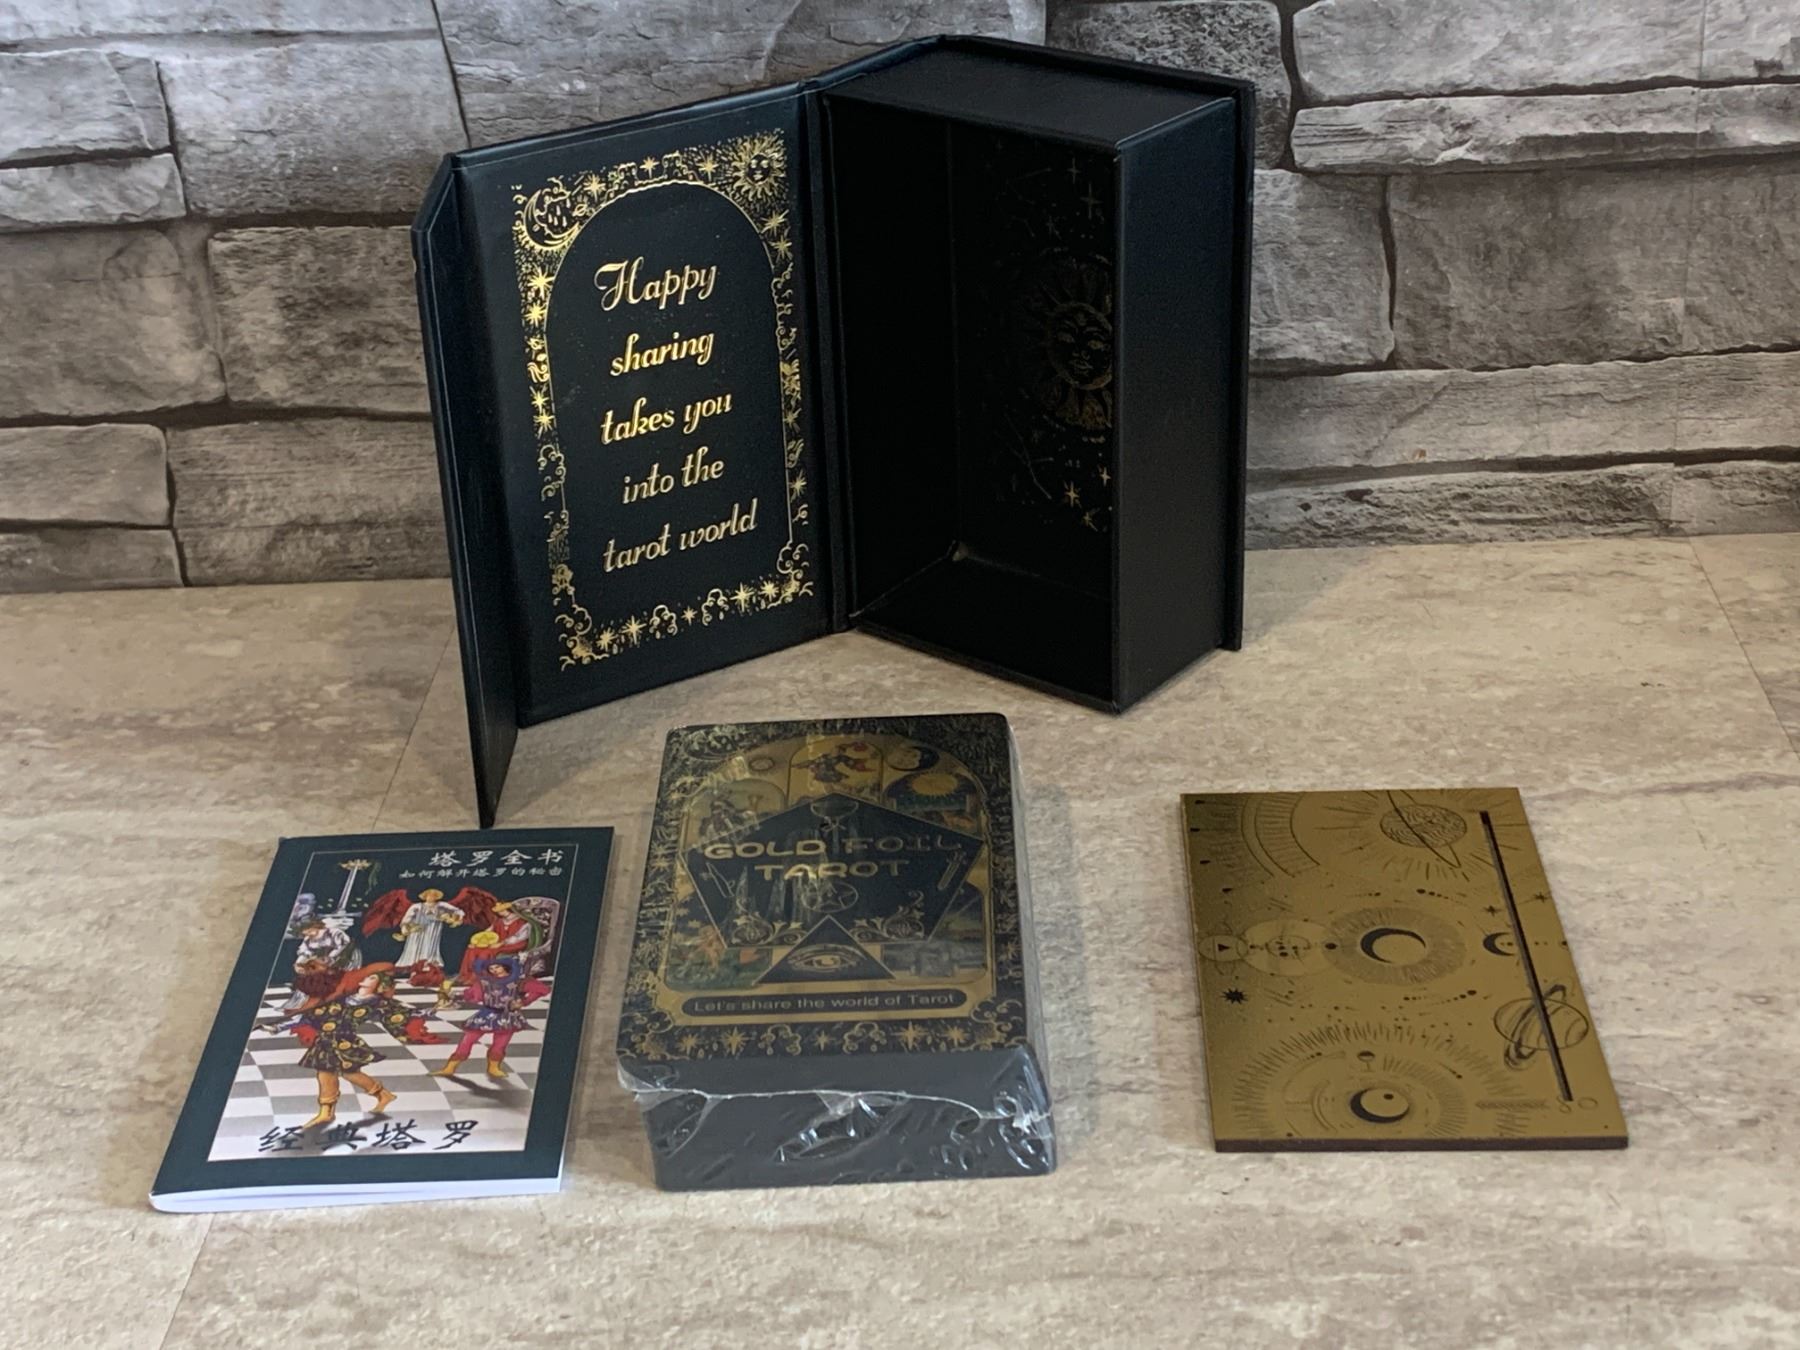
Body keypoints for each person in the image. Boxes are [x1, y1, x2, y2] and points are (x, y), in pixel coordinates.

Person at [278, 964, 438, 1128]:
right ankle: (328, 1112)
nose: (366, 978)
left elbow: (400, 1013)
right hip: (325, 1041)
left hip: (345, 1042)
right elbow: (313, 1014)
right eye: (367, 976)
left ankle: (380, 1095)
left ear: (380, 984)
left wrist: (427, 1012)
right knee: (326, 1074)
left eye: (372, 977)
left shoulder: (377, 1002)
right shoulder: (345, 996)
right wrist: (280, 1026)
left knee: (349, 1073)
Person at [431, 954, 547, 1081]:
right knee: (467, 1040)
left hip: (507, 1017)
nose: (494, 970)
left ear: (505, 967)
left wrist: (524, 1002)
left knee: (500, 1044)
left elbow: (542, 989)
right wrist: (453, 995)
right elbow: (472, 995)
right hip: (486, 1014)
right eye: (491, 968)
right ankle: (449, 1068)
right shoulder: (485, 981)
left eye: (497, 967)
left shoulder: (518, 981)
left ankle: (494, 1068)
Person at [393, 887, 465, 970]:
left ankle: (428, 965)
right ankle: (413, 965)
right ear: (425, 896)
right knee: (415, 946)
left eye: (434, 895)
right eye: (429, 895)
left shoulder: (440, 905)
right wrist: (405, 927)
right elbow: (407, 918)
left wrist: (455, 918)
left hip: (433, 931)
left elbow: (458, 911)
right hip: (418, 931)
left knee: (429, 947)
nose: (431, 897)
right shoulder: (417, 906)